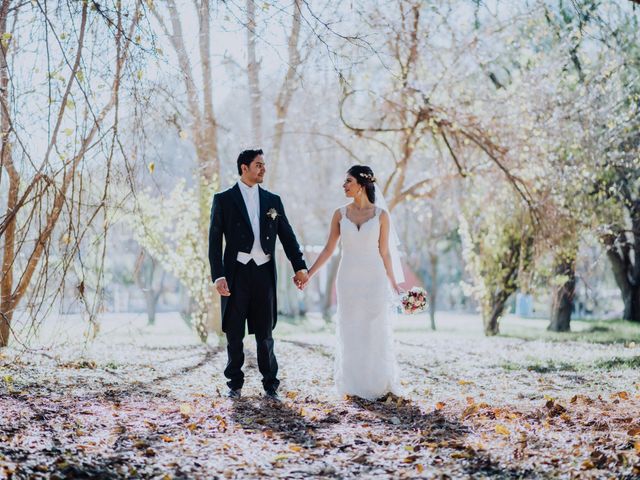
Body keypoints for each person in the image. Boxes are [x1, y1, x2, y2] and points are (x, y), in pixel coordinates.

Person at [208, 149, 308, 400]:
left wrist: (299, 266)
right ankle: (234, 383)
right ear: (244, 167)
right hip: (235, 273)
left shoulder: (273, 200)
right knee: (234, 332)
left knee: (265, 333)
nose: (263, 169)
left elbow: (287, 235)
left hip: (263, 273)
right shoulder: (223, 199)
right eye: (258, 165)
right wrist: (218, 275)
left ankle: (270, 385)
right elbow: (213, 241)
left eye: (264, 165)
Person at [299, 165, 404, 400]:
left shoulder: (381, 215)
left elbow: (385, 253)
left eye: (348, 181)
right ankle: (353, 384)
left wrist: (394, 284)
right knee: (351, 328)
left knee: (374, 328)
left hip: (374, 279)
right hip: (348, 279)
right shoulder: (340, 214)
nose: (343, 186)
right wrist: (308, 274)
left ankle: (377, 384)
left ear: (361, 184)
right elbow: (328, 249)